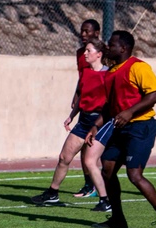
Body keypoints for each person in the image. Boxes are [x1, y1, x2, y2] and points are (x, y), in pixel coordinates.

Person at [86, 30, 156, 228]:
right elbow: (110, 106)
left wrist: (129, 112)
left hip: (141, 126)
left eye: (112, 44)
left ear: (124, 48)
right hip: (120, 128)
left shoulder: (138, 67)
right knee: (107, 170)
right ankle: (118, 218)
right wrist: (95, 126)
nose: (108, 47)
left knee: (134, 175)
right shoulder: (111, 73)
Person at [32, 38, 111, 212]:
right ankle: (53, 193)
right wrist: (71, 116)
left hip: (99, 122)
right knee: (64, 158)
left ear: (99, 54)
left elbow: (111, 102)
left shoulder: (109, 74)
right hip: (83, 121)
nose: (85, 53)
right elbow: (81, 98)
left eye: (89, 51)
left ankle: (105, 200)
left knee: (90, 162)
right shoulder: (85, 73)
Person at [70, 19, 102, 199]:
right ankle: (90, 184)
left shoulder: (101, 53)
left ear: (96, 33)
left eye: (87, 31)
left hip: (100, 110)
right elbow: (82, 80)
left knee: (94, 150)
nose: (83, 34)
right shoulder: (80, 54)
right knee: (84, 148)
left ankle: (99, 186)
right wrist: (76, 99)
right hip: (86, 106)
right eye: (82, 31)